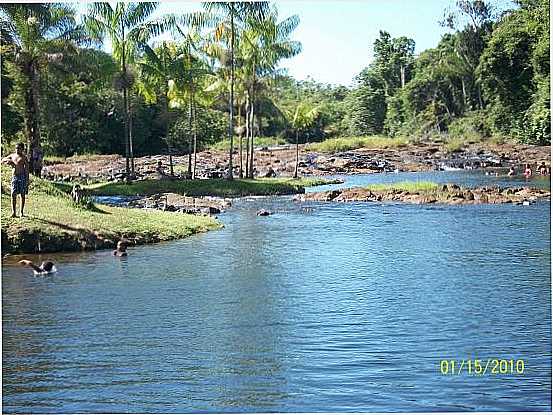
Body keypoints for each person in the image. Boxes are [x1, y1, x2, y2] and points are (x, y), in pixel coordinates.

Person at [2, 142, 29, 218]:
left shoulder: (24, 157)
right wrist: (9, 162)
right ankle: (13, 212)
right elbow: (3, 160)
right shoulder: (12, 156)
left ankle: (21, 212)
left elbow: (27, 169)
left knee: (22, 194)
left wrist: (27, 180)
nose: (17, 150)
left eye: (19, 148)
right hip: (14, 177)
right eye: (16, 148)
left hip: (22, 177)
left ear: (22, 149)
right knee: (13, 194)